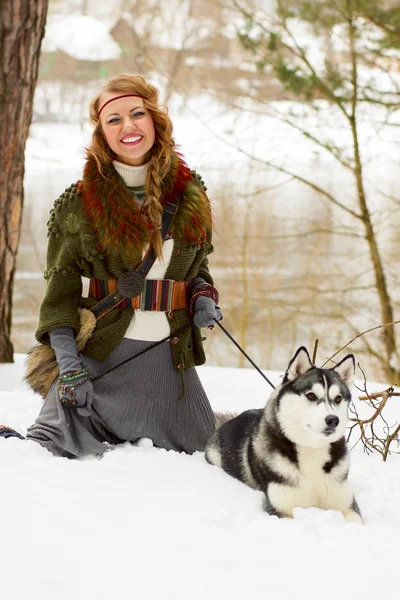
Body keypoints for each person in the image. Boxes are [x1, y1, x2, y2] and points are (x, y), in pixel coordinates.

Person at [0, 73, 223, 457]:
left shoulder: (190, 192)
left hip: (168, 366)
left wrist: (203, 296)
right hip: (99, 366)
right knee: (39, 454)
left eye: (137, 113)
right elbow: (58, 303)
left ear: (155, 120)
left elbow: (197, 268)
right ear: (102, 133)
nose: (128, 126)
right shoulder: (78, 204)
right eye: (114, 119)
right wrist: (70, 370)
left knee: (208, 455)